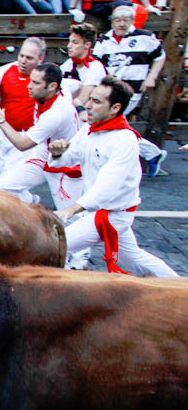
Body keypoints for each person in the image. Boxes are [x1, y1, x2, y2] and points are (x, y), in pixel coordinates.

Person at [49, 77, 178, 277]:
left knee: (54, 246)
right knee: (133, 258)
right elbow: (68, 158)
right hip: (103, 212)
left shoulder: (125, 140)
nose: (88, 106)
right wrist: (57, 153)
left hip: (113, 215)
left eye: (97, 102)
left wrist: (71, 210)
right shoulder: (89, 130)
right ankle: (179, 287)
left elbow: (107, 186)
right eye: (90, 99)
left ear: (115, 108)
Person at [0, 62, 84, 208]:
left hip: (65, 163)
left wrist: (1, 121)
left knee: (70, 219)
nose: (29, 86)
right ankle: (32, 206)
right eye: (30, 80)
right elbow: (79, 86)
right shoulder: (62, 86)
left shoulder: (55, 114)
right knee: (5, 186)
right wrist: (80, 107)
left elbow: (22, 144)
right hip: (43, 154)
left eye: (35, 83)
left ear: (52, 86)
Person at [0, 37, 44, 185]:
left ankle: (27, 203)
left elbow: (75, 87)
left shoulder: (46, 78)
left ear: (40, 59)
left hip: (25, 137)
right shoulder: (5, 70)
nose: (23, 61)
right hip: (2, 132)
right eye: (21, 56)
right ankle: (30, 201)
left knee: (6, 185)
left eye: (29, 58)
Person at [92, 4, 166, 117]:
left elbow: (160, 56)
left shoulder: (144, 37)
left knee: (115, 117)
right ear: (112, 22)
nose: (121, 24)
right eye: (118, 20)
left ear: (132, 21)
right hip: (109, 90)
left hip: (133, 89)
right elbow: (95, 64)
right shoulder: (104, 40)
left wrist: (151, 77)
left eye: (125, 20)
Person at [60, 22, 106, 109]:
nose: (69, 46)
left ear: (87, 45)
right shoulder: (68, 64)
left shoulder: (96, 67)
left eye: (75, 42)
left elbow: (82, 100)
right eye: (69, 41)